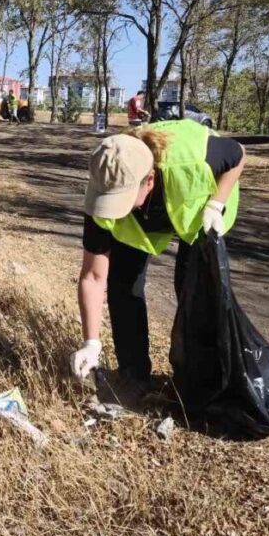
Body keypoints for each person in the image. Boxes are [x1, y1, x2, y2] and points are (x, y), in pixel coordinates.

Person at [70, 119, 245, 401]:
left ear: (149, 180)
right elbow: (93, 276)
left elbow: (237, 154)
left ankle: (200, 378)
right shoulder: (104, 184)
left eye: (122, 199)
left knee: (195, 290)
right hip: (152, 211)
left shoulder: (194, 160)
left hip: (200, 203)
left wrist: (217, 203)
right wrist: (91, 343)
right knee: (123, 284)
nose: (112, 212)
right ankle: (134, 373)